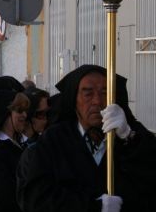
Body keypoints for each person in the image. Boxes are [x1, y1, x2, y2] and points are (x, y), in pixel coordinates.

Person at [17, 65, 156, 212]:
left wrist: (129, 137)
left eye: (105, 93)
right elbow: (35, 199)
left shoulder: (132, 135)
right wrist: (94, 207)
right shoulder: (54, 140)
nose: (97, 101)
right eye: (88, 94)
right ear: (74, 100)